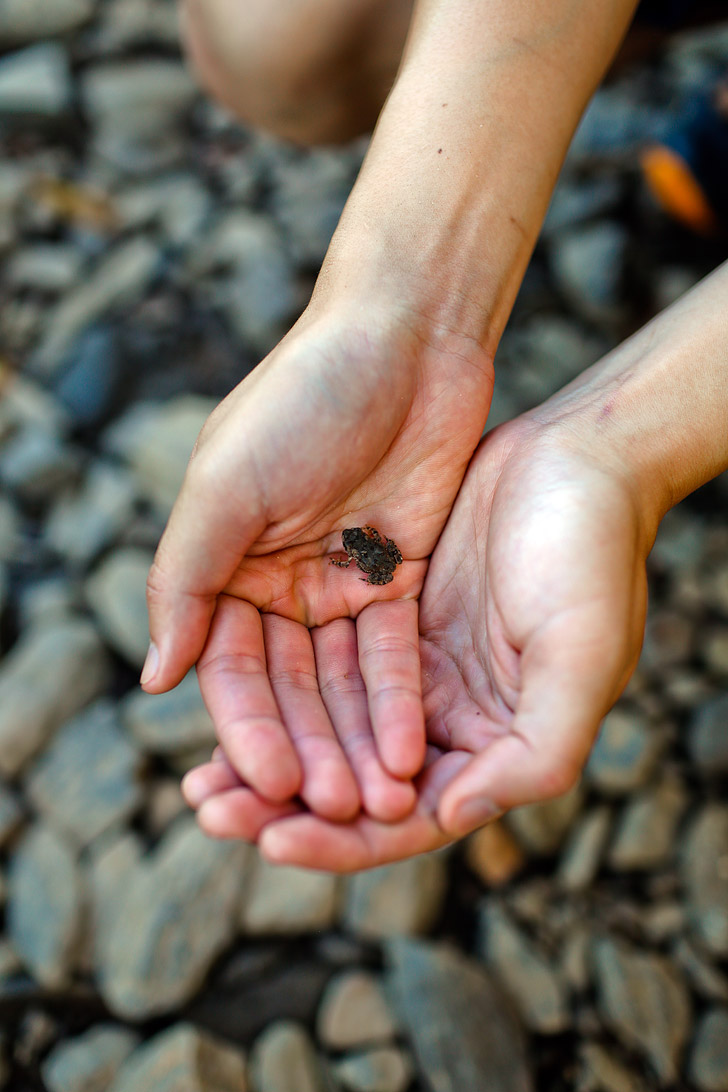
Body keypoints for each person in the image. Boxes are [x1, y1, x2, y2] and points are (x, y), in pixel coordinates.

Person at [140, 0, 728, 871]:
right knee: (280, 46)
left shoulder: (367, 555)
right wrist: (398, 306)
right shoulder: (364, 550)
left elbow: (367, 556)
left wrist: (628, 448)